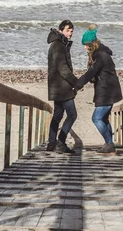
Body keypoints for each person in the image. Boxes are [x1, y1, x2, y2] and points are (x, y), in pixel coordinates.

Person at [75, 24, 123, 153]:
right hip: (109, 90)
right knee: (103, 118)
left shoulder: (100, 55)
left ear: (92, 44)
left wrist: (77, 85)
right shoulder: (101, 52)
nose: (85, 47)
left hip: (107, 91)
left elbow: (91, 72)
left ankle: (109, 143)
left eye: (86, 45)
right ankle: (109, 143)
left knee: (96, 118)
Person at [46, 20, 78, 154]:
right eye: (68, 30)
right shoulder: (58, 45)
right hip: (61, 87)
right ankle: (60, 142)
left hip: (57, 86)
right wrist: (76, 82)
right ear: (60, 30)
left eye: (71, 31)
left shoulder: (60, 44)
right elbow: (63, 68)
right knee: (72, 114)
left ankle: (51, 143)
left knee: (58, 115)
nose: (70, 33)